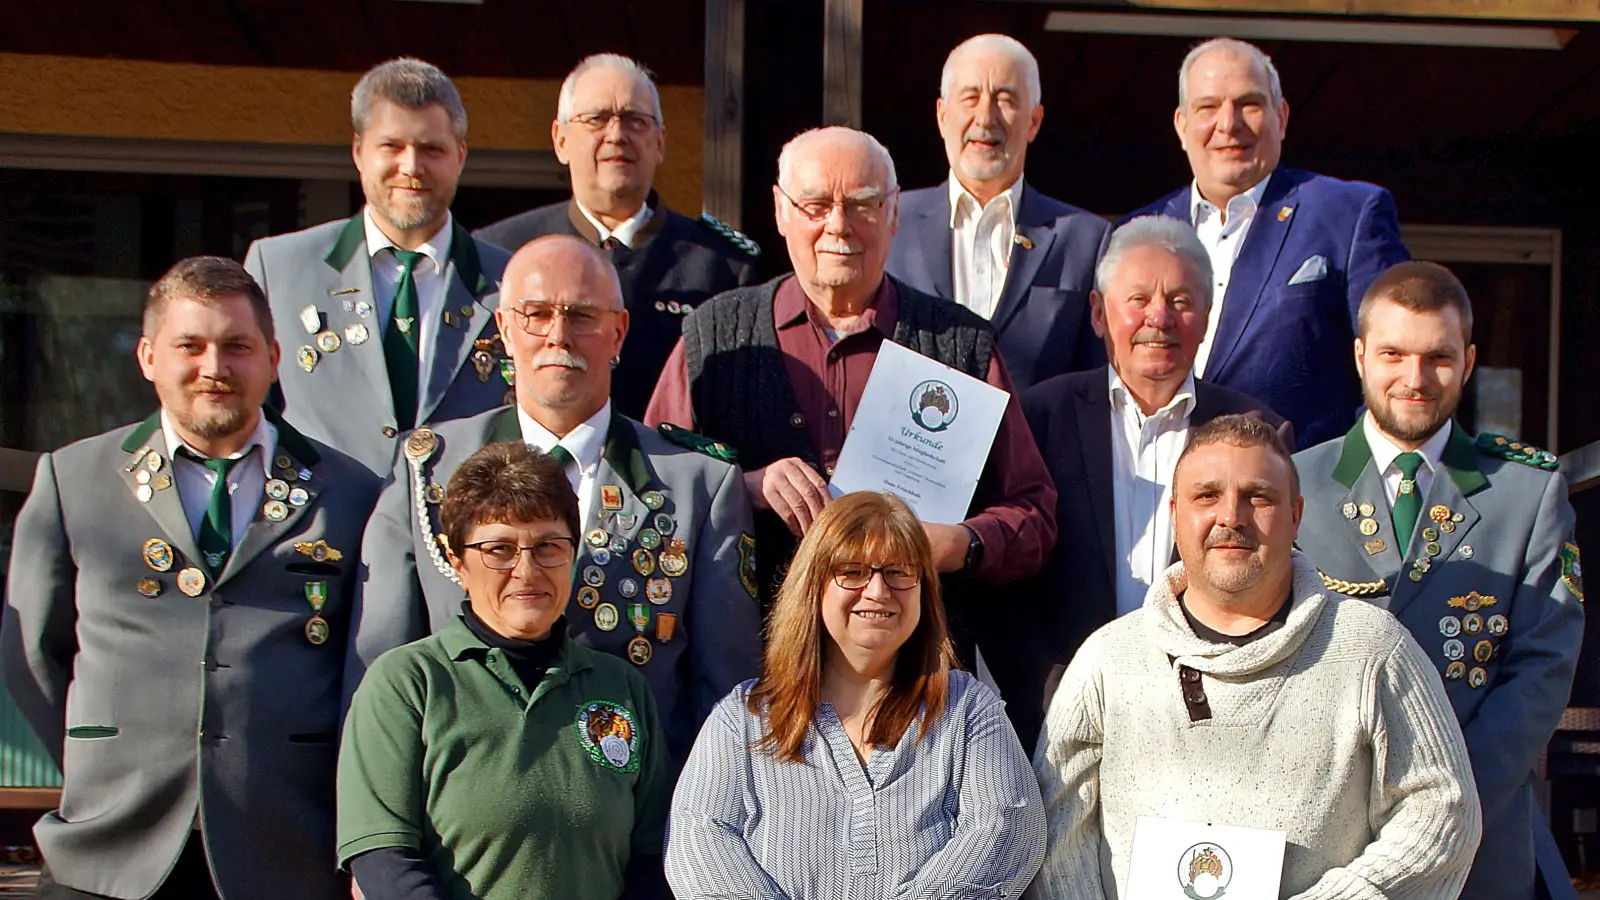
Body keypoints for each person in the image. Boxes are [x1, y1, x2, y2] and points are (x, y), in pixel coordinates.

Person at [2, 257, 381, 900]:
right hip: (109, 843)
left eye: (237, 347)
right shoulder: (72, 479)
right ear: (148, 357)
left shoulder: (351, 492)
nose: (214, 367)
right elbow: (32, 654)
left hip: (284, 844)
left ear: (274, 359)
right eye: (190, 346)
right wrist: (100, 752)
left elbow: (366, 667)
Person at [645, 126, 1056, 673]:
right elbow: (654, 492)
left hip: (914, 682)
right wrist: (743, 487)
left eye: (862, 204)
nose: (838, 225)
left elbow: (1034, 514)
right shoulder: (714, 335)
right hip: (751, 674)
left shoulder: (961, 344)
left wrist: (957, 544)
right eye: (815, 205)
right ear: (780, 210)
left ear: (893, 213)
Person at [1029, 415, 1481, 899]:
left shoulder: (1373, 650)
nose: (1231, 516)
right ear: (1176, 515)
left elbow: (1441, 811)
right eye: (1207, 496)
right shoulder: (1108, 661)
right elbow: (1058, 833)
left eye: (1258, 497)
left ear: (1296, 516)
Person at [351, 234, 760, 762]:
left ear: (618, 332)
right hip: (463, 789)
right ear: (504, 329)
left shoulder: (698, 483)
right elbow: (380, 669)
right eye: (537, 314)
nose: (558, 336)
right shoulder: (427, 470)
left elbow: (725, 696)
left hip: (633, 798)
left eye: (582, 316)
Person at [1293, 261, 1583, 900]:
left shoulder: (1527, 494)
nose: (1415, 379)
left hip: (1478, 838)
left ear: (1469, 362)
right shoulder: (1294, 486)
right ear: (1361, 356)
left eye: (1439, 358)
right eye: (1394, 354)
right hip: (1325, 841)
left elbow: (1542, 668)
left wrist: (1445, 800)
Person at [665, 491, 1045, 898]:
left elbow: (1009, 828)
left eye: (899, 571)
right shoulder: (743, 719)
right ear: (813, 586)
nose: (878, 591)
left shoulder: (967, 709)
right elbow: (699, 839)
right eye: (852, 571)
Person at [339, 441, 669, 900]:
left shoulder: (621, 687)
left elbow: (653, 858)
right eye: (499, 549)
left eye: (548, 546)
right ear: (457, 563)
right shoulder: (408, 683)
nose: (527, 570)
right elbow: (383, 857)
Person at [1010, 215, 1288, 745]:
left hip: (1211, 723)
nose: (1159, 317)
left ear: (1206, 318)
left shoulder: (1261, 435)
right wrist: (1052, 695)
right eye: (1138, 299)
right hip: (1053, 716)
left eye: (1181, 301)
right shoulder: (1036, 420)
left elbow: (1274, 582)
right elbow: (1003, 588)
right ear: (1098, 313)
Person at [1124, 37, 1409, 449]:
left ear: (1282, 116)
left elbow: (1396, 363)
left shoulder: (1348, 215)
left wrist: (1354, 476)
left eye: (1249, 104)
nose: (1228, 124)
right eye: (1208, 107)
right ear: (1182, 126)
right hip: (1151, 479)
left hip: (1301, 479)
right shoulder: (1135, 233)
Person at [244, 57, 512, 477]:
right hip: (320, 514)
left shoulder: (510, 281)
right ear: (358, 151)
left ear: (460, 156)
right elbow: (248, 416)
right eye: (392, 146)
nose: (412, 167)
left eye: (432, 149)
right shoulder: (278, 268)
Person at [475, 54, 760, 419]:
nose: (616, 135)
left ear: (659, 143)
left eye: (635, 120)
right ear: (560, 140)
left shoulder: (722, 264)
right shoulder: (501, 250)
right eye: (596, 119)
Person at [887, 34, 1110, 392]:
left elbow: (1095, 385)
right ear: (942, 116)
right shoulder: (892, 223)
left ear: (1034, 121)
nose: (985, 117)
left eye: (1004, 99)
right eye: (970, 97)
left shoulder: (1085, 240)